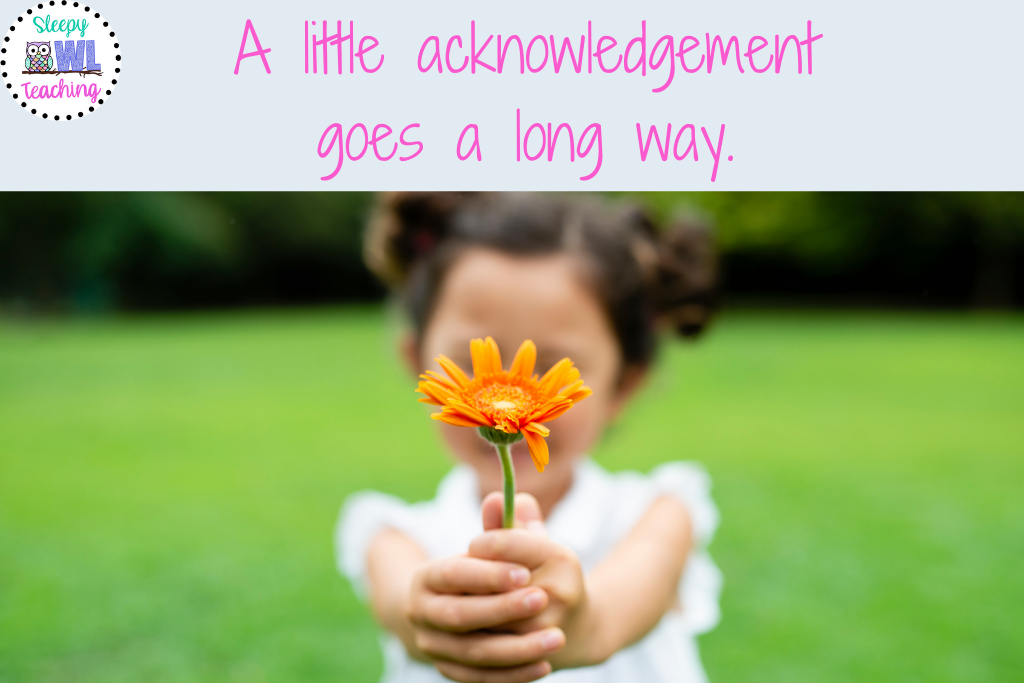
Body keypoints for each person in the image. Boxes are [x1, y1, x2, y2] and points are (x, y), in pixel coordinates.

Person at [337, 193, 722, 683]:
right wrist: (437, 618)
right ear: (419, 365)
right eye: (473, 363)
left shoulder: (658, 514)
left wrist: (581, 624)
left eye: (554, 367)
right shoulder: (394, 537)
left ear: (624, 384)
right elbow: (403, 607)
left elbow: (619, 607)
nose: (507, 394)